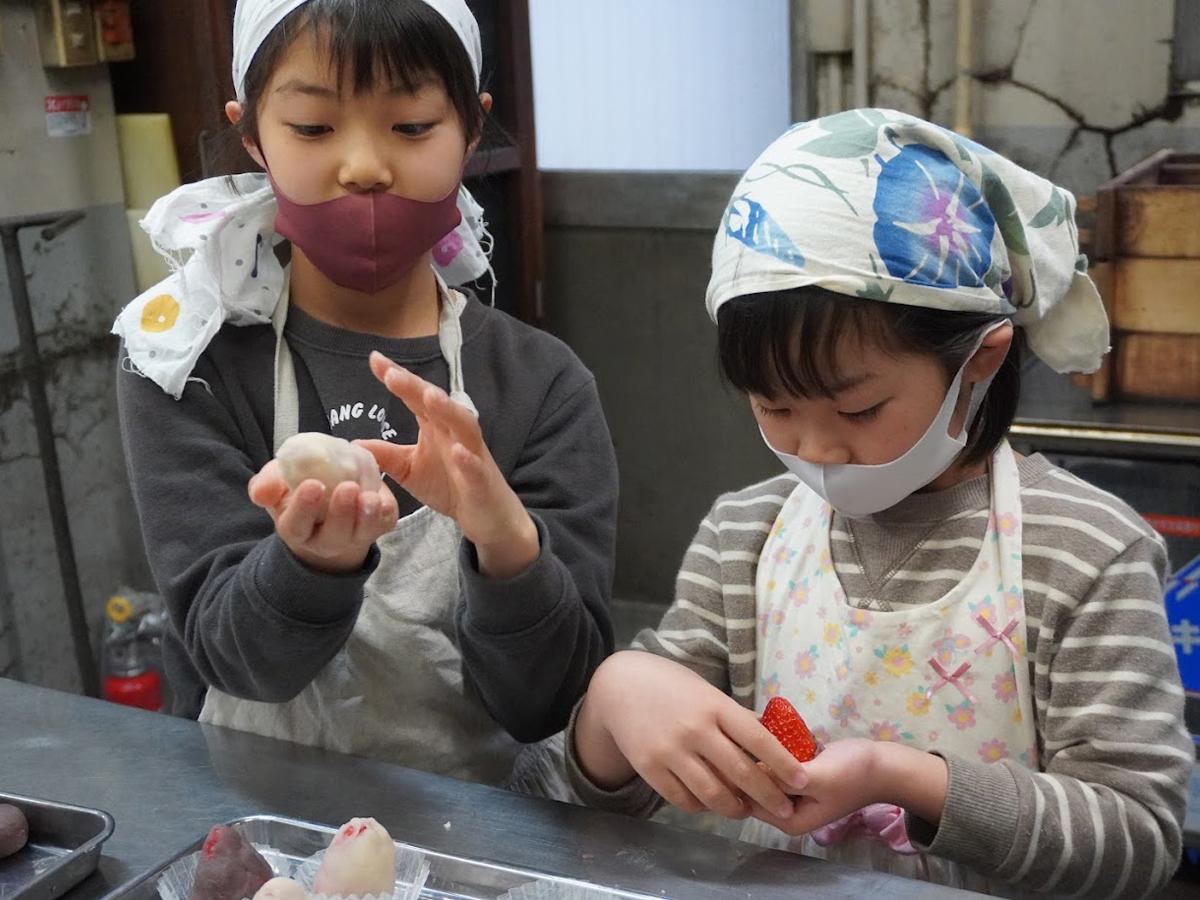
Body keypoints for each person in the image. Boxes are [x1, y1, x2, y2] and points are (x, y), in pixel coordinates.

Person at [565, 110, 1192, 895]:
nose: (818, 450)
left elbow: (1136, 839)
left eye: (857, 411)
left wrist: (906, 779)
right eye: (775, 409)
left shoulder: (1083, 552)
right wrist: (617, 697)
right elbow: (596, 794)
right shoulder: (746, 538)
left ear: (979, 360)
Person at [113, 0, 616, 787]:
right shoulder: (188, 364)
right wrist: (309, 564)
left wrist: (506, 542)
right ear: (252, 135)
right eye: (313, 128)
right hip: (253, 821)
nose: (364, 166)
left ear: (472, 128)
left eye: (411, 126)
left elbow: (549, 701)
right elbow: (233, 662)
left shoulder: (542, 386)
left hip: (478, 839)